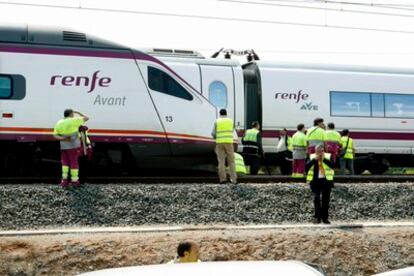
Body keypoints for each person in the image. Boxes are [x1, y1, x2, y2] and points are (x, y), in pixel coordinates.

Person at [53, 109, 89, 188]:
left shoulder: (59, 122)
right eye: (73, 113)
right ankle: (74, 181)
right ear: (71, 114)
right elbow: (87, 118)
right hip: (73, 146)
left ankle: (64, 181)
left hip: (63, 146)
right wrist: (78, 112)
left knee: (65, 163)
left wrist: (63, 139)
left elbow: (55, 135)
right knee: (74, 162)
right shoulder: (74, 120)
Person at [305, 144, 335, 224]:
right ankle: (317, 218)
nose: (320, 152)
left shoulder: (328, 156)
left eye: (321, 151)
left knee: (326, 201)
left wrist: (324, 159)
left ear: (323, 151)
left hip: (326, 181)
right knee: (316, 198)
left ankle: (325, 218)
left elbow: (333, 165)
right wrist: (314, 160)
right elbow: (306, 167)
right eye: (318, 151)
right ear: (315, 151)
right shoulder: (311, 157)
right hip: (315, 182)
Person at [212, 109, 237, 184]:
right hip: (229, 142)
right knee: (231, 161)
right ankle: (233, 180)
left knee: (221, 162)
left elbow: (213, 133)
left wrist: (217, 137)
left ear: (220, 114)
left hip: (219, 143)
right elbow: (232, 131)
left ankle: (222, 180)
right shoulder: (230, 121)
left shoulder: (217, 121)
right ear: (226, 113)